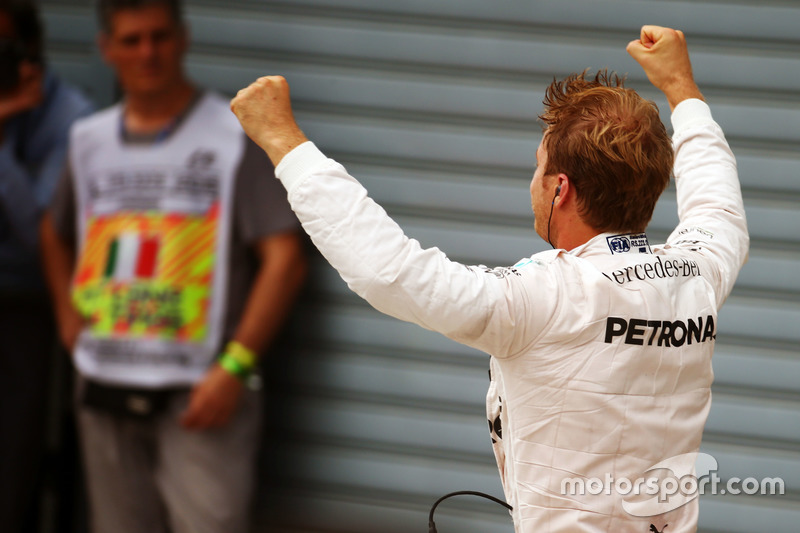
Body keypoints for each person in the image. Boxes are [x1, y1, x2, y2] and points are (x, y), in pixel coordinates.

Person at [231, 26, 749, 532]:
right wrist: (682, 90)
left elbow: (390, 272)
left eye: (539, 166)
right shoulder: (696, 271)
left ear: (559, 189)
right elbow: (718, 206)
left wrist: (284, 142)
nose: (533, 181)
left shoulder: (547, 296)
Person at [39, 0, 306, 531]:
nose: (148, 52)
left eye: (159, 36)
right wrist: (71, 321)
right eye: (132, 40)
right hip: (104, 379)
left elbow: (286, 259)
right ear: (107, 49)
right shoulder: (87, 139)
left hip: (201, 390)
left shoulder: (230, 135)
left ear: (182, 39)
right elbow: (54, 231)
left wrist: (235, 367)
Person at [0, 0, 92, 531]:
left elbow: (42, 237)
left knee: (14, 457)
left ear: (32, 52)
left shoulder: (70, 117)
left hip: (28, 300)